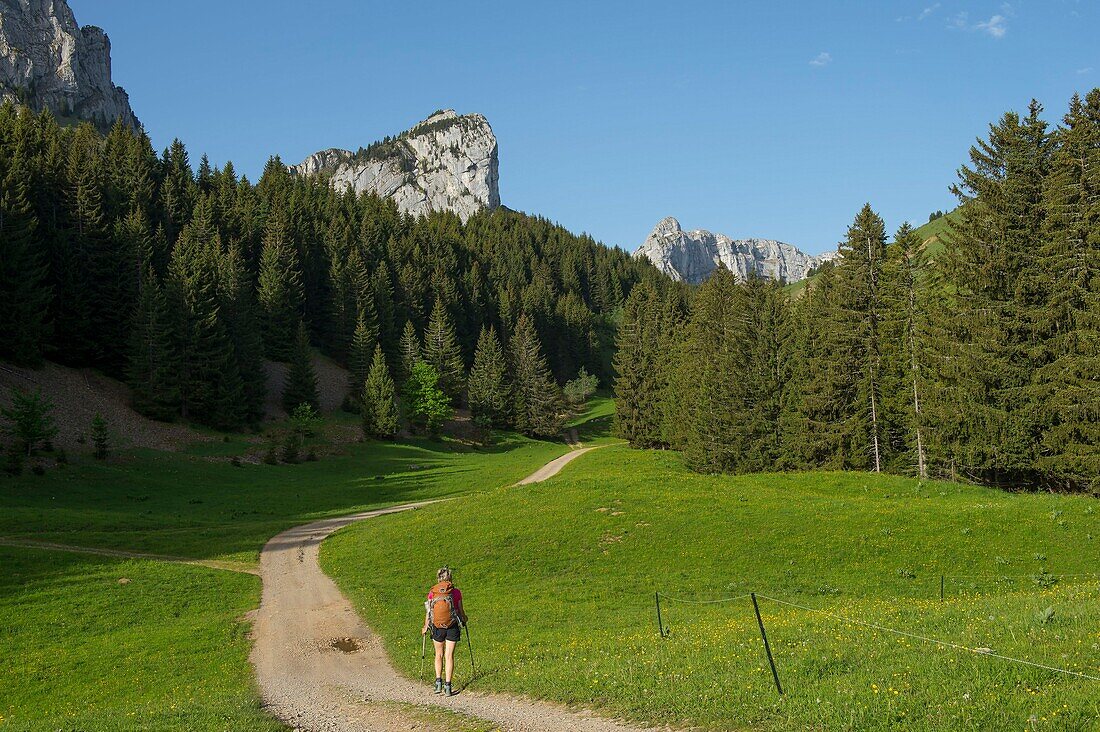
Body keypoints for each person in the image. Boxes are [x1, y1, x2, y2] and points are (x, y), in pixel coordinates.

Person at [421, 566, 467, 696]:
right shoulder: (456, 592)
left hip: (437, 627)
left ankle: (438, 684)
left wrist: (425, 626)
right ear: (450, 578)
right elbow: (460, 610)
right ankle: (448, 686)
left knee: (438, 655)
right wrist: (464, 619)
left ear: (439, 578)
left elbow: (429, 612)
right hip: (452, 626)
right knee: (449, 656)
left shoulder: (432, 592)